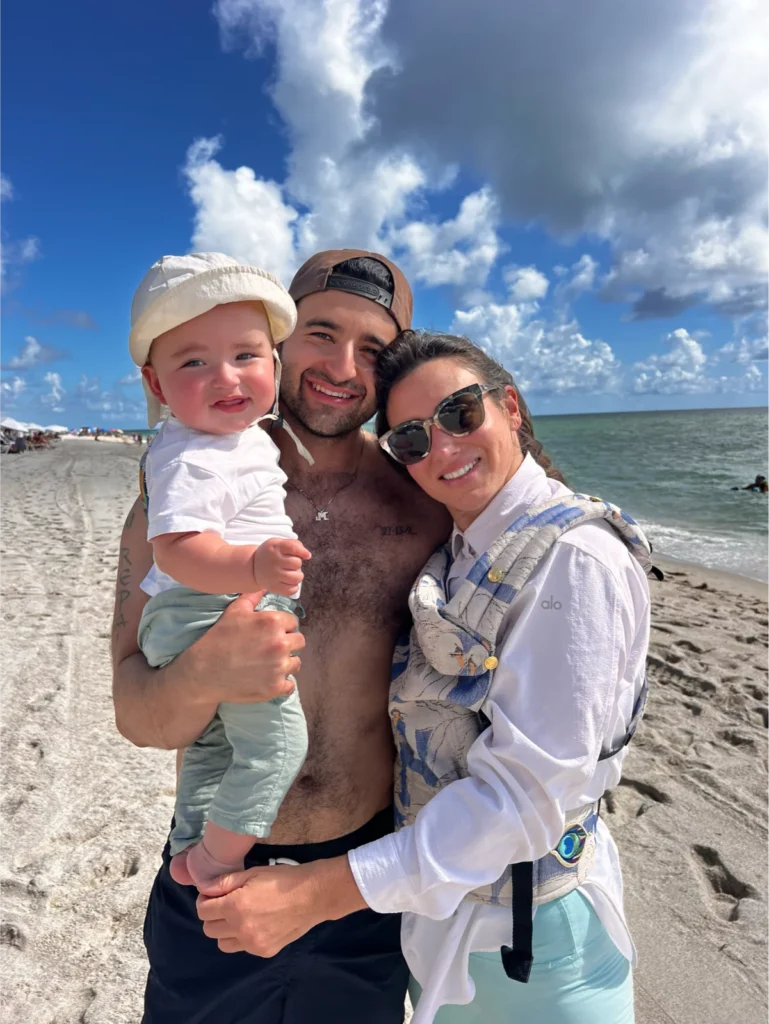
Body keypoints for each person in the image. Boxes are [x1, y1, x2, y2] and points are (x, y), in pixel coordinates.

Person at [215, 331, 653, 1024]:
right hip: (459, 931)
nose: (442, 448)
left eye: (458, 414)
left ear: (508, 406)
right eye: (411, 441)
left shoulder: (572, 559)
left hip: (530, 946)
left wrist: (316, 894)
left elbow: (527, 799)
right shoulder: (464, 553)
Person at [111, 250, 452, 1023]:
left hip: (360, 883)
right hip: (212, 876)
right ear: (278, 340)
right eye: (320, 334)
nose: (342, 366)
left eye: (373, 349)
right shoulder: (190, 489)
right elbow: (134, 712)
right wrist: (204, 673)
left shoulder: (423, 506)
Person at [128, 253, 313, 891]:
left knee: (213, 748)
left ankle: (188, 847)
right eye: (194, 362)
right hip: (205, 608)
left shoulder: (241, 438)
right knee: (277, 747)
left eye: (247, 354)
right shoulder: (187, 454)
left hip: (205, 607)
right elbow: (176, 549)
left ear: (274, 362)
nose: (227, 376)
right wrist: (252, 564)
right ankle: (216, 861)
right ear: (157, 386)